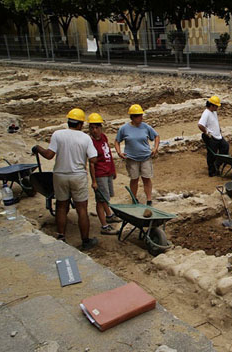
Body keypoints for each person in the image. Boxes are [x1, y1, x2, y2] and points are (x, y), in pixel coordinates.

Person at [32, 108, 98, 250]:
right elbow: (93, 158)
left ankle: (61, 236)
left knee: (61, 206)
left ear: (68, 121)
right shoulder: (85, 138)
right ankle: (85, 241)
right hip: (78, 176)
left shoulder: (58, 134)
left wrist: (38, 148)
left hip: (60, 175)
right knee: (82, 209)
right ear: (80, 124)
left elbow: (49, 155)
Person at [114, 104, 159, 206]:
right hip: (132, 158)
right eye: (138, 116)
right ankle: (134, 199)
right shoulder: (124, 128)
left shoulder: (146, 127)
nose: (141, 118)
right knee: (134, 179)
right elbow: (117, 141)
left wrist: (155, 148)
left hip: (145, 158)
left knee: (146, 178)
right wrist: (119, 152)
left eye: (141, 115)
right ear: (132, 117)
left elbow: (156, 136)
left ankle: (149, 200)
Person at [88, 113, 121, 235]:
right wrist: (94, 181)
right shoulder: (90, 142)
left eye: (96, 127)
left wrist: (113, 169)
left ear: (101, 128)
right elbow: (91, 163)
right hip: (100, 174)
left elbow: (109, 155)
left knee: (105, 198)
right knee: (100, 200)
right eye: (92, 128)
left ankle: (109, 215)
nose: (94, 130)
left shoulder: (104, 138)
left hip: (107, 172)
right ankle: (104, 226)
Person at [198, 95, 229, 177]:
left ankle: (217, 165)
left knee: (225, 147)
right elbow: (200, 125)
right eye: (216, 106)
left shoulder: (214, 112)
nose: (217, 108)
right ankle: (212, 172)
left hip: (218, 136)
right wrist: (207, 132)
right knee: (211, 155)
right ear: (212, 105)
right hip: (212, 138)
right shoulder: (206, 113)